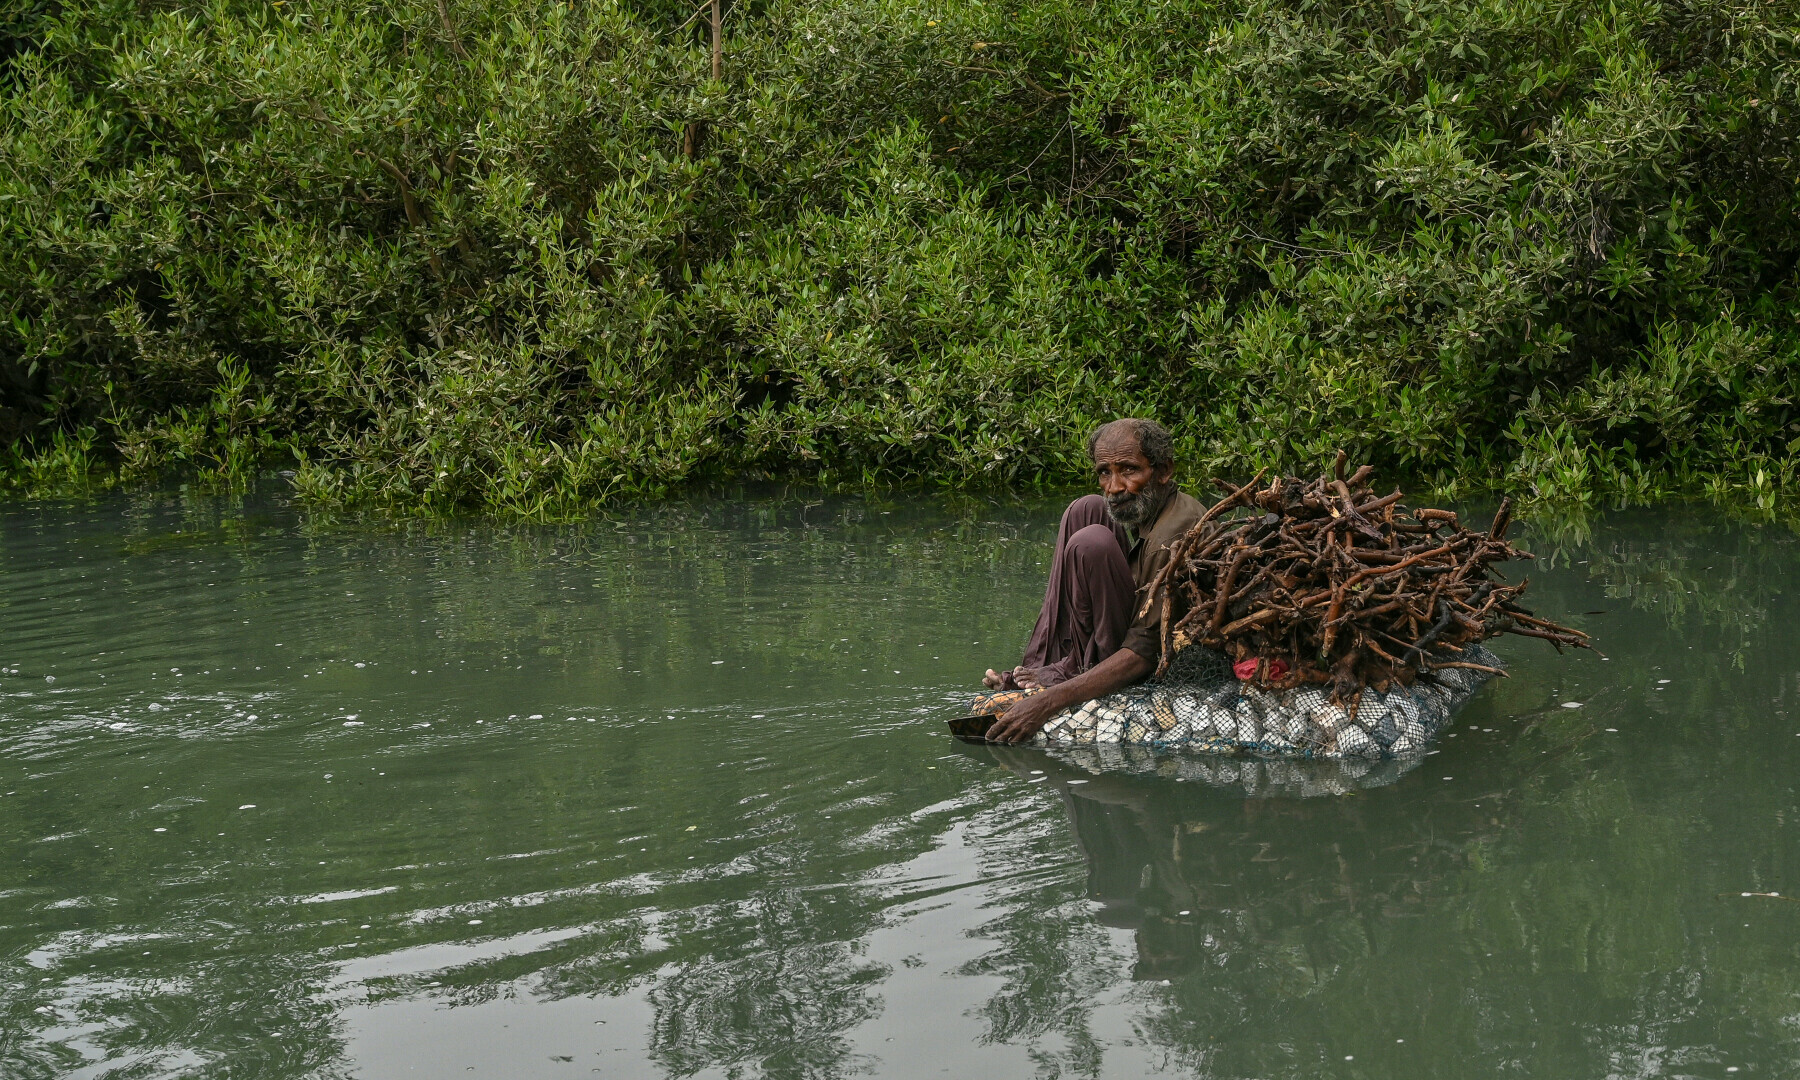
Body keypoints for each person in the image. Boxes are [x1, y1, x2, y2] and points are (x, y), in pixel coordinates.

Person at [983, 418, 1204, 744]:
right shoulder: (1154, 505)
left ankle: (1075, 672)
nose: (1114, 487)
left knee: (1092, 543)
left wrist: (1046, 702)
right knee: (1085, 510)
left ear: (1163, 471)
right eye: (1105, 472)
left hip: (1154, 649)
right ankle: (1051, 662)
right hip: (1135, 617)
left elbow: (1143, 655)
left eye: (1129, 470)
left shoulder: (1168, 540)